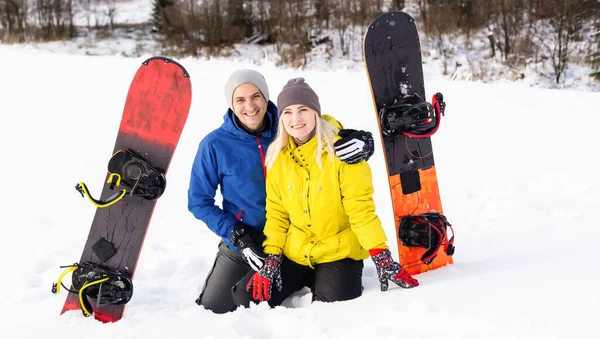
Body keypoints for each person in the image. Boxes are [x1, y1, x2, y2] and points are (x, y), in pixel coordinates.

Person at [188, 70, 375, 314]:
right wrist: (235, 233)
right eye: (240, 100)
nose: (250, 106)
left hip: (293, 239)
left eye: (256, 96)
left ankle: (317, 276)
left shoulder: (287, 126)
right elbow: (198, 201)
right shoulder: (215, 145)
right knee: (215, 307)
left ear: (266, 97)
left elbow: (320, 122)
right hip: (246, 240)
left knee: (330, 300)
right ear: (231, 104)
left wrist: (357, 139)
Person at [231, 77, 419, 309]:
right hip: (297, 251)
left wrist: (380, 253)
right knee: (245, 296)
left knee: (331, 311)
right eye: (287, 112)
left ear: (315, 113)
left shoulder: (344, 151)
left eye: (303, 110)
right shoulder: (277, 158)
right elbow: (277, 214)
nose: (295, 119)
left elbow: (361, 211)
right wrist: (272, 258)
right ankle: (308, 277)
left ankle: (329, 278)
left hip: (338, 251)